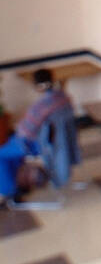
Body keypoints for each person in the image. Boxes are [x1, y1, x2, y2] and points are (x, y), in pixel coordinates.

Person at [0, 67, 75, 202]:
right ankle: (19, 182)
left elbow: (25, 132)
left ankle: (10, 191)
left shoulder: (40, 106)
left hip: (38, 145)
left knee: (2, 155)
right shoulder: (65, 98)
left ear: (36, 87)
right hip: (58, 142)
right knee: (11, 151)